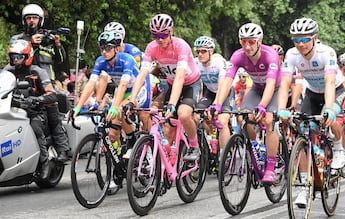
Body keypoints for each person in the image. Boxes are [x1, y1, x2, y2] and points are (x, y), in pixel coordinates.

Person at [277, 17, 345, 207]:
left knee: (330, 115)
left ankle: (340, 149)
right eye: (296, 40)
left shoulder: (327, 53)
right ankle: (304, 187)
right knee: (302, 130)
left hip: (335, 90)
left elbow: (330, 82)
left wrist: (330, 110)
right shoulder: (292, 55)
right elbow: (284, 84)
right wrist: (281, 109)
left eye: (304, 39)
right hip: (312, 93)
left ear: (314, 38)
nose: (300, 44)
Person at [124, 13, 202, 161]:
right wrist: (131, 99)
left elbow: (180, 76)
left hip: (190, 83)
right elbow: (142, 75)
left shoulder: (181, 46)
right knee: (168, 128)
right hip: (172, 84)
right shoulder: (151, 48)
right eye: (156, 35)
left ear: (171, 31)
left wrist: (172, 104)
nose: (160, 39)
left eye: (163, 35)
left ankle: (194, 145)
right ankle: (166, 170)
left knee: (183, 114)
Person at [214, 23, 282, 183]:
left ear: (260, 41)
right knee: (244, 117)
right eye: (243, 41)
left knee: (269, 120)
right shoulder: (238, 56)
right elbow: (227, 81)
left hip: (274, 89)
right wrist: (218, 104)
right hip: (257, 88)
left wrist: (263, 106)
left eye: (251, 41)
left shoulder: (270, 55)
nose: (247, 46)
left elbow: (271, 85)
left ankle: (271, 168)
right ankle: (255, 147)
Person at [71, 30, 151, 160]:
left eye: (108, 48)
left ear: (116, 48)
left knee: (120, 110)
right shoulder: (100, 61)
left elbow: (124, 84)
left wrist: (115, 107)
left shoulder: (127, 59)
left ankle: (135, 143)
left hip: (139, 89)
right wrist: (78, 107)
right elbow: (91, 84)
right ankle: (119, 161)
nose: (104, 52)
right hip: (123, 91)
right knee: (112, 132)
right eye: (102, 48)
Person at [10, 3, 69, 162]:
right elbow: (13, 55)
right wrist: (31, 41)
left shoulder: (48, 40)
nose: (31, 21)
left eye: (34, 18)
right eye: (28, 18)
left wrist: (57, 45)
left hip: (46, 82)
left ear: (40, 20)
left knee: (53, 116)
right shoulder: (18, 39)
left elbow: (61, 60)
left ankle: (63, 149)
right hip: (24, 81)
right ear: (24, 21)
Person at [4, 39, 58, 179]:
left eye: (19, 57)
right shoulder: (7, 71)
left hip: (35, 112)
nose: (16, 60)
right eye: (13, 57)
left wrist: (37, 100)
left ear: (28, 57)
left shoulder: (37, 71)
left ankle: (44, 162)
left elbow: (52, 95)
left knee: (35, 128)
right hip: (12, 109)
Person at [193, 36, 233, 157]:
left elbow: (222, 86)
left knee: (222, 121)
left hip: (224, 92)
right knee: (195, 115)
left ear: (211, 51)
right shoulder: (196, 63)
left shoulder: (218, 62)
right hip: (209, 92)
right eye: (198, 51)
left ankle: (224, 154)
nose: (200, 54)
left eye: (203, 51)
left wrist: (216, 104)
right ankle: (207, 141)